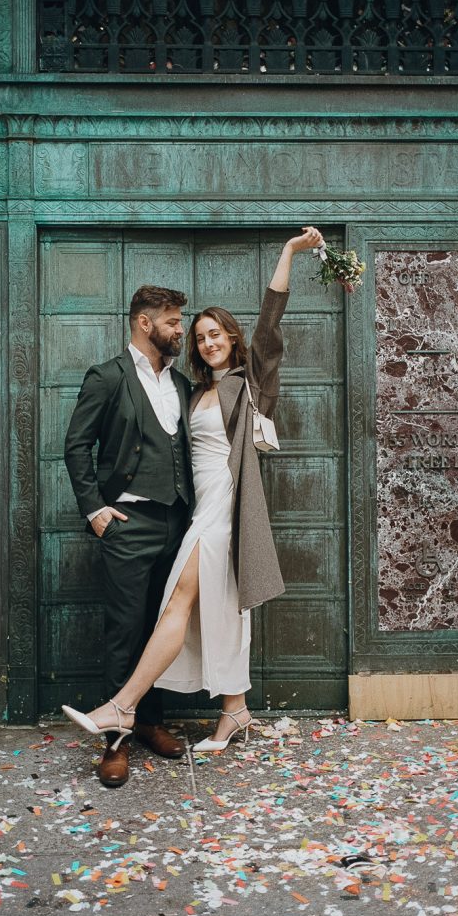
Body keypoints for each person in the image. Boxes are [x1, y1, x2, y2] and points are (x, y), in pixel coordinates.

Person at [63, 227, 322, 760]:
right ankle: (231, 710)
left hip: (218, 509)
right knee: (188, 612)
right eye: (193, 331)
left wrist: (288, 253)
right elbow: (86, 445)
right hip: (169, 516)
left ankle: (124, 707)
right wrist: (96, 510)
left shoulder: (250, 384)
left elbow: (271, 325)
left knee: (176, 604)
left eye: (212, 333)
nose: (200, 339)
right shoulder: (186, 386)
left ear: (232, 337)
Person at [64, 285, 195, 787]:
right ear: (145, 322)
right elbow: (77, 446)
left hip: (176, 521)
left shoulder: (180, 383)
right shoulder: (107, 377)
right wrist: (95, 510)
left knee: (160, 628)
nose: (180, 329)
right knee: (124, 629)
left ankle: (149, 722)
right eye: (173, 321)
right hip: (128, 523)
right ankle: (114, 742)